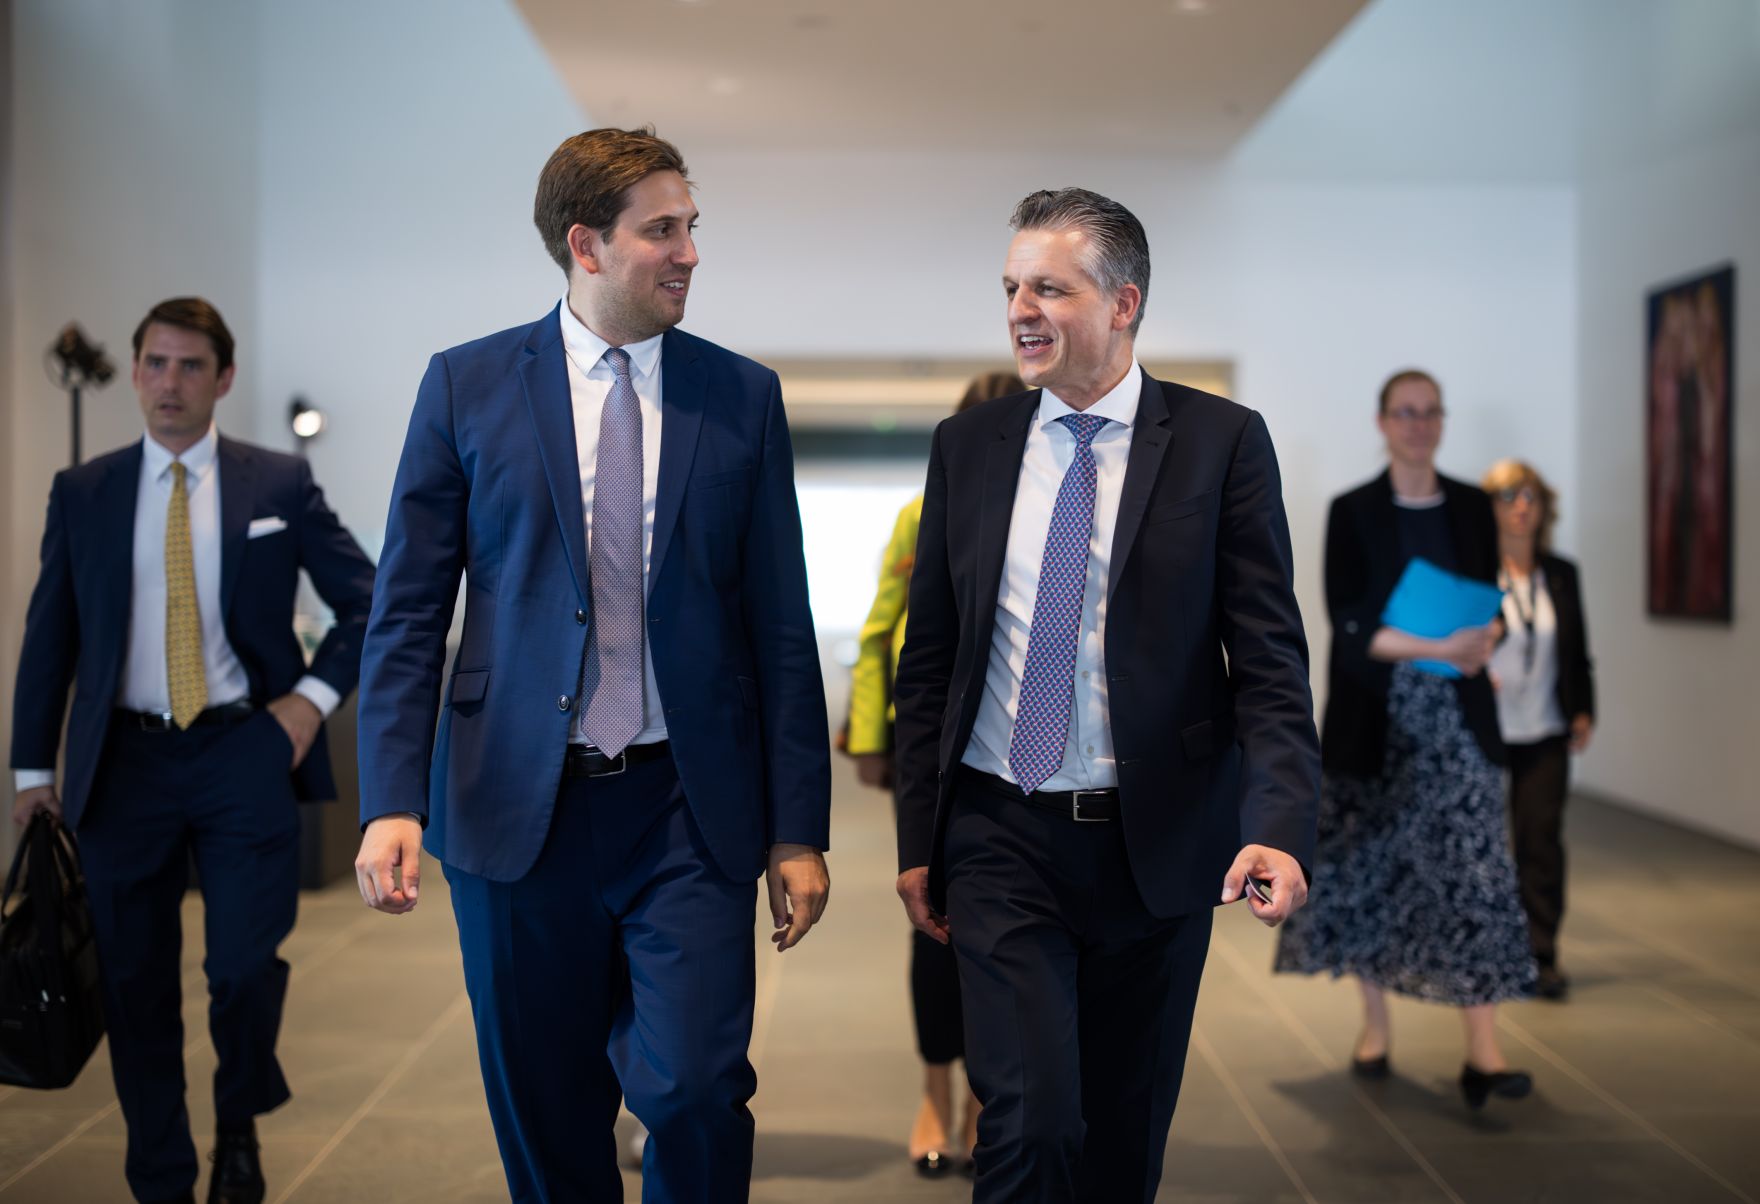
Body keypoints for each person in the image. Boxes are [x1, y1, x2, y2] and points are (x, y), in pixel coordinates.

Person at [352, 127, 831, 1203]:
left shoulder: (738, 396)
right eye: (661, 229)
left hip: (685, 804)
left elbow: (779, 627)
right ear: (585, 244)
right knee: (544, 1103)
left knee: (698, 1088)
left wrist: (796, 827)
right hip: (514, 805)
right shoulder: (465, 386)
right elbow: (408, 609)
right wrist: (390, 796)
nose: (688, 252)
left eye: (690, 227)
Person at [892, 188, 1319, 1201]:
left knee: (1122, 1146)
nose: (1019, 308)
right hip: (1001, 835)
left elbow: (1267, 660)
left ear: (1123, 302)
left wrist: (1280, 823)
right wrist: (921, 836)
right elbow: (931, 661)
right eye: (1009, 287)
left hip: (1156, 845)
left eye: (1049, 286)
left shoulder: (1219, 443)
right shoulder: (971, 446)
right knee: (1032, 1126)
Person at [9, 296, 376, 1204]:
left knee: (243, 970)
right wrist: (31, 771)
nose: (169, 383)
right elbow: (49, 635)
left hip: (242, 753)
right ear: (134, 373)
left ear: (223, 378)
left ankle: (239, 1125)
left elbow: (371, 601)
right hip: (122, 768)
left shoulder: (278, 486)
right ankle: (162, 1178)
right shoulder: (84, 491)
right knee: (135, 987)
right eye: (156, 364)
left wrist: (307, 703)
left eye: (189, 366)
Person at [1274, 369, 1537, 1111]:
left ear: (1441, 422)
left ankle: (1483, 1054)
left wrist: (1478, 642)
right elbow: (1346, 625)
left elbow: (1491, 599)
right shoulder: (1352, 509)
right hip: (1376, 716)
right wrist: (1444, 647)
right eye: (1405, 412)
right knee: (1367, 874)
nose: (1418, 425)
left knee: (1475, 875)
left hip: (1460, 720)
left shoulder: (1472, 507)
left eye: (1430, 413)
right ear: (1383, 421)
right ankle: (1375, 1026)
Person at [847, 369, 1022, 1177]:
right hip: (932, 743)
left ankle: (990, 1099)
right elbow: (884, 630)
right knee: (933, 920)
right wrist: (869, 735)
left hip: (1014, 751)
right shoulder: (923, 514)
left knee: (1002, 935)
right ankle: (934, 1092)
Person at [1482, 459, 1595, 1000]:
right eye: (1507, 495)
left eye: (1530, 495)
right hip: (1486, 726)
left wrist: (1584, 709)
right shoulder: (1475, 573)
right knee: (1482, 842)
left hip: (1546, 727)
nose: (1521, 505)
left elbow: (1578, 654)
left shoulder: (1562, 573)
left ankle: (1540, 953)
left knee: (1540, 840)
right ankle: (1483, 952)